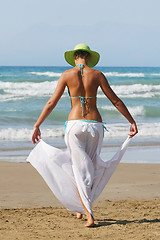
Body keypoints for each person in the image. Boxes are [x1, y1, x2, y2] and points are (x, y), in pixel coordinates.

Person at [27, 43, 138, 227]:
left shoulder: (66, 75)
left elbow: (51, 102)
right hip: (96, 126)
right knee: (90, 168)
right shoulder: (97, 75)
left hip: (75, 125)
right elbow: (116, 100)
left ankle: (89, 215)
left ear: (75, 57)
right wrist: (131, 121)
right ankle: (81, 207)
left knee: (79, 169)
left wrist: (37, 124)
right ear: (88, 57)